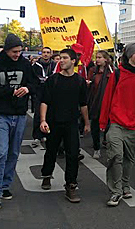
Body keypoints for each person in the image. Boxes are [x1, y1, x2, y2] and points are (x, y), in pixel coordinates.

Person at [0, 34, 38, 211]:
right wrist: (10, 91)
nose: (17, 54)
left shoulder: (25, 64)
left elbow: (35, 83)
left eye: (19, 51)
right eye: (14, 51)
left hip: (20, 114)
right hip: (1, 114)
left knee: (14, 152)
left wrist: (27, 88)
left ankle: (5, 184)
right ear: (7, 50)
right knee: (1, 152)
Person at [100, 43, 135, 207]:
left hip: (133, 124)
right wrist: (103, 122)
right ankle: (115, 191)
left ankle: (125, 185)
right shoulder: (117, 74)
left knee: (128, 159)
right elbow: (107, 99)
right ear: (130, 55)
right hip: (116, 123)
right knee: (116, 156)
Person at [39, 49, 89, 203]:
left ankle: (71, 186)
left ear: (74, 61)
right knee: (51, 152)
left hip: (72, 124)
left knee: (73, 155)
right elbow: (44, 101)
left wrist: (86, 123)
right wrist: (43, 120)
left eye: (65, 58)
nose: (61, 60)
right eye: (60, 58)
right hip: (54, 122)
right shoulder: (53, 80)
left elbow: (83, 104)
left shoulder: (80, 82)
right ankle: (47, 175)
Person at [87, 50, 114, 159]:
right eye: (97, 57)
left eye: (100, 57)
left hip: (108, 103)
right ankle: (96, 148)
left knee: (109, 127)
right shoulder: (93, 71)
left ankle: (108, 147)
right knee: (95, 126)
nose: (97, 59)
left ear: (106, 59)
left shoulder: (112, 72)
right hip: (95, 102)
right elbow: (88, 82)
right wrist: (88, 83)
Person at [32, 47, 55, 148]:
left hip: (51, 92)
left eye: (48, 52)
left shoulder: (54, 65)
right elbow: (33, 78)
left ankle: (47, 134)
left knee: (49, 114)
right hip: (39, 92)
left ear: (51, 54)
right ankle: (37, 136)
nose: (45, 54)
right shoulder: (35, 65)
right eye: (44, 52)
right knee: (38, 114)